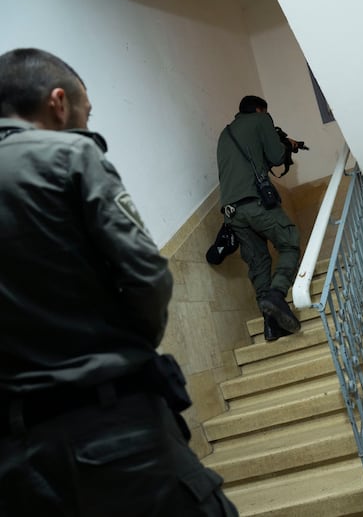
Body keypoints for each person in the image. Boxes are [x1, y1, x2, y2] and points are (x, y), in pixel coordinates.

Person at [0, 48, 238, 516]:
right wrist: (129, 345)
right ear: (59, 103)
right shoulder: (69, 155)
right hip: (112, 434)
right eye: (86, 112)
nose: (86, 123)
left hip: (17, 464)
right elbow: (147, 275)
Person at [216, 95, 302, 342]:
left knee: (259, 263)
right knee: (289, 242)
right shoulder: (261, 119)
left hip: (232, 211)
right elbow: (276, 157)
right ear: (259, 109)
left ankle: (271, 326)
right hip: (256, 202)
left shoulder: (226, 133)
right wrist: (286, 146)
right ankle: (277, 294)